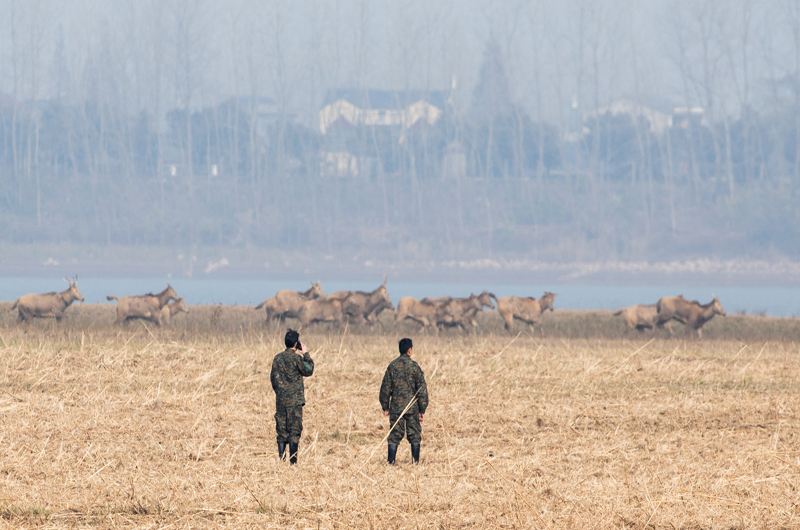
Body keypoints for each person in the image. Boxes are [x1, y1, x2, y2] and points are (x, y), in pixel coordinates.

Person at [379, 337, 428, 464]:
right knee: (415, 435)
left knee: (395, 434)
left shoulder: (392, 366)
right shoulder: (414, 367)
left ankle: (391, 462)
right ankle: (415, 462)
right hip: (412, 408)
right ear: (410, 350)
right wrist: (422, 409)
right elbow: (422, 390)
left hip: (396, 408)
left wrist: (385, 406)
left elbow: (385, 388)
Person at [270, 329, 314, 464]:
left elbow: (273, 379)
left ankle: (281, 461)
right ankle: (293, 462)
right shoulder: (297, 359)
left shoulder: (277, 358)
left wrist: (280, 393)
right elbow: (309, 370)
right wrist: (305, 353)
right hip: (295, 402)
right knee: (294, 431)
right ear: (296, 343)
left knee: (281, 431)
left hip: (281, 401)